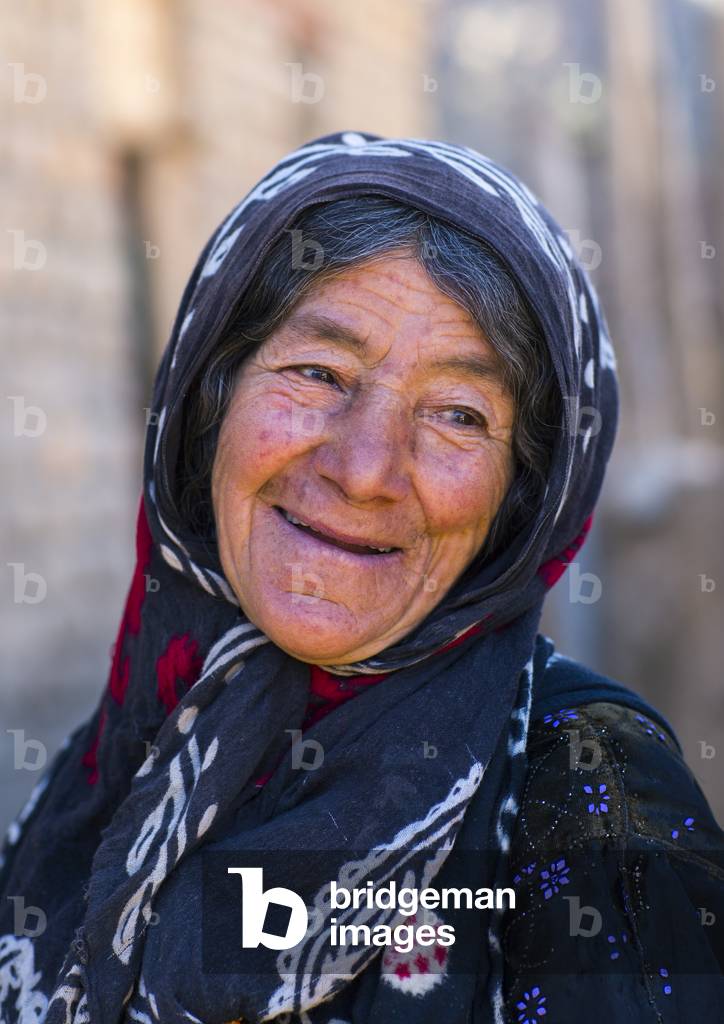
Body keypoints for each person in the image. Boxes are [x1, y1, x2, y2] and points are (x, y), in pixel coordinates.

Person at [1, 130, 722, 1024]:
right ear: (207, 403)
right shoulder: (120, 754)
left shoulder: (590, 795)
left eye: (458, 415)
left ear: (524, 498)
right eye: (317, 372)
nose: (365, 468)